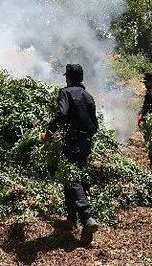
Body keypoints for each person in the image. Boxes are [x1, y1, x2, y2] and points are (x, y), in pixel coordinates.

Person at [39, 64, 99, 245]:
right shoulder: (88, 96)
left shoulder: (65, 93)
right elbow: (95, 124)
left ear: (69, 77)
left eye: (66, 76)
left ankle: (87, 218)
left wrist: (48, 133)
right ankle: (72, 219)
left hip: (72, 141)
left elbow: (61, 114)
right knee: (70, 176)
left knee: (72, 178)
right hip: (87, 142)